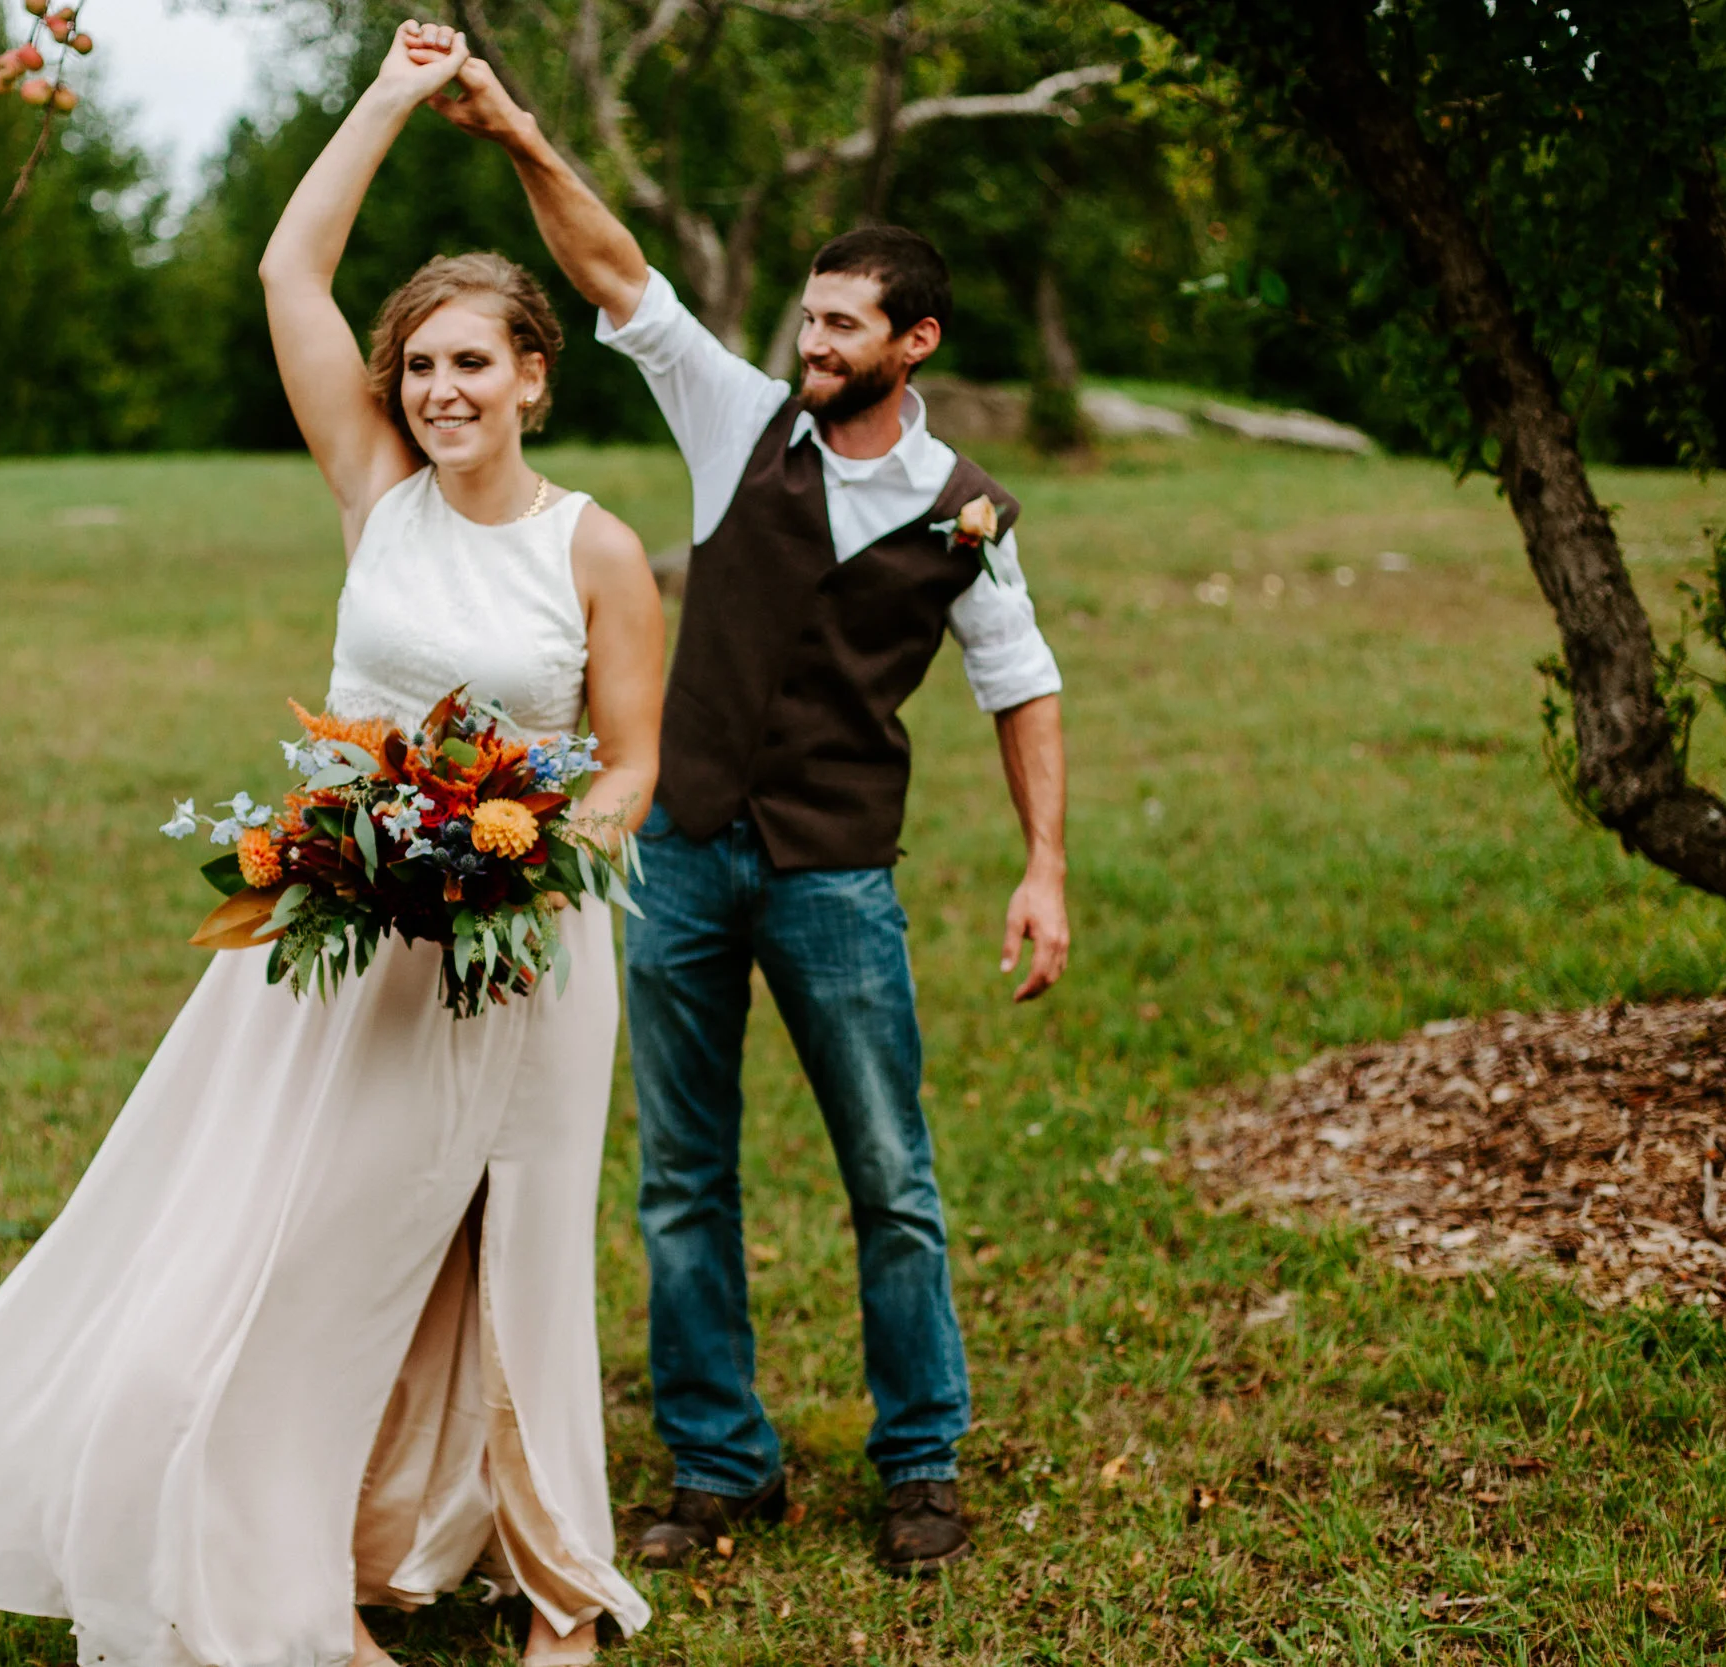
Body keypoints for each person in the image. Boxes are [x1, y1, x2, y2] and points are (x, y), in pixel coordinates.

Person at [0, 23, 663, 1666]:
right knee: (308, 1249)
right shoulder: (373, 490)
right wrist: (392, 92)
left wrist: (533, 868)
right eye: (423, 366)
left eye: (477, 363)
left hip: (537, 943)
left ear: (537, 372)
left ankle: (556, 1590)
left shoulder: (597, 547)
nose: (445, 392)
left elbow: (635, 763)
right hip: (349, 940)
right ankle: (282, 1578)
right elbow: (288, 265)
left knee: (519, 1251)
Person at [427, 55, 1071, 1576]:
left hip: (837, 878)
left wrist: (1045, 865)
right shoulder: (740, 424)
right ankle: (721, 1462)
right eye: (809, 316)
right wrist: (520, 131)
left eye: (844, 324)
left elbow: (1021, 681)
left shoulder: (966, 509)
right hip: (684, 853)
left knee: (891, 1178)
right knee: (680, 1179)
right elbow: (619, 275)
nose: (812, 339)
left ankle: (920, 1459)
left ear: (913, 343)